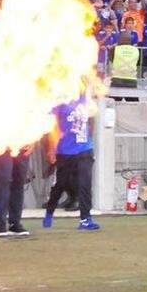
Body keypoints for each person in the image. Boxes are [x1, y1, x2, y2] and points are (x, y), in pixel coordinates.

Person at [43, 93, 100, 231]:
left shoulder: (85, 98)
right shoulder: (60, 101)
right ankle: (50, 211)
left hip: (84, 149)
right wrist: (51, 149)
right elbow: (52, 127)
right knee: (61, 184)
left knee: (85, 184)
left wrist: (89, 139)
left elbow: (91, 119)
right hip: (65, 151)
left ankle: (85, 218)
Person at [0, 147, 31, 237]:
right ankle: (1, 224)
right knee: (3, 181)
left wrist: (32, 142)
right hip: (2, 145)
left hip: (22, 145)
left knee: (19, 182)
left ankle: (15, 223)